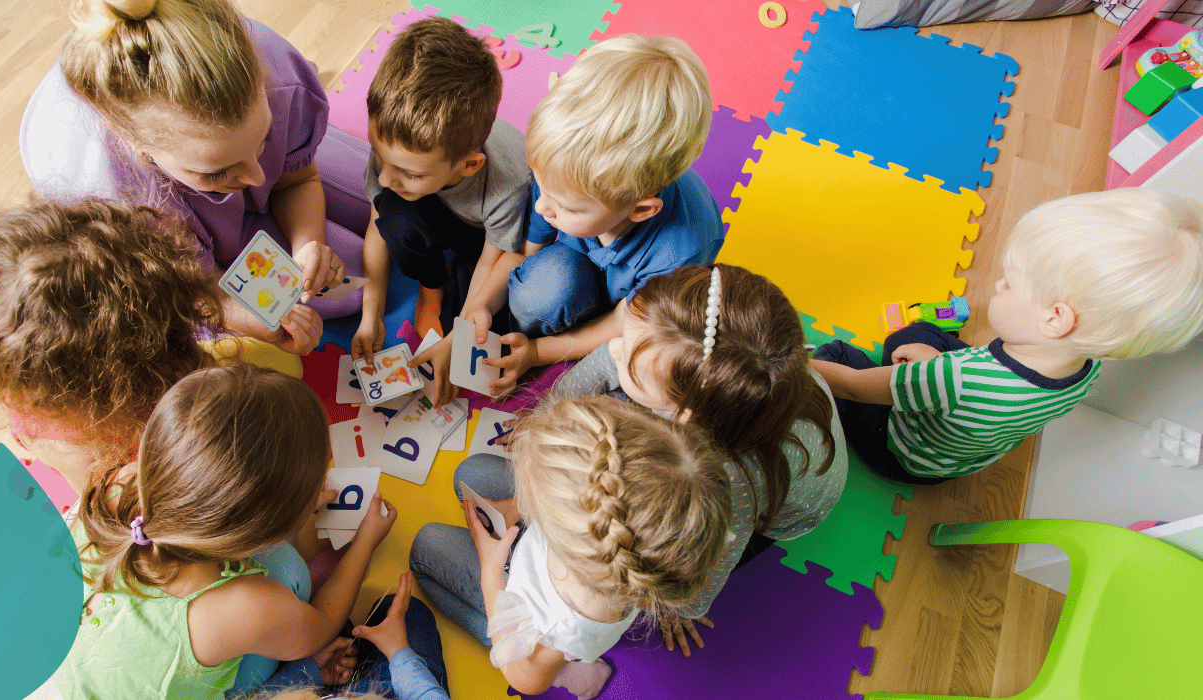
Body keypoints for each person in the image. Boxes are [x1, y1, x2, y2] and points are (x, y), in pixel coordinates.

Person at [20, 0, 370, 344]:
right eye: (217, 172)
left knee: (384, 205)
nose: (258, 177)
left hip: (244, 135)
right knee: (348, 291)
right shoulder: (111, 197)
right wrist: (241, 316)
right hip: (167, 238)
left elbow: (298, 178)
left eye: (264, 137)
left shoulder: (275, 75)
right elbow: (186, 292)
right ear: (138, 145)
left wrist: (307, 245)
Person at [0, 199, 317, 504]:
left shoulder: (146, 293)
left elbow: (195, 298)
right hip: (104, 439)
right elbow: (96, 489)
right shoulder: (68, 425)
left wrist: (254, 320)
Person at [547, 264, 848, 654]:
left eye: (629, 365)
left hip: (778, 508)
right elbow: (603, 364)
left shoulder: (725, 478)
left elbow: (713, 557)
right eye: (627, 331)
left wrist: (683, 608)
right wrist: (554, 414)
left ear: (683, 414)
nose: (614, 348)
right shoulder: (713, 353)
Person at [811, 188, 1203, 484]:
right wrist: (934, 364)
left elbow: (857, 387)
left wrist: (788, 363)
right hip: (957, 457)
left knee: (839, 356)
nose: (997, 285)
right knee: (921, 336)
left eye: (1011, 285)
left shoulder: (953, 378)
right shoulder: (1087, 365)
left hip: (901, 454)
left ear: (1055, 319)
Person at [55, 364, 398, 699]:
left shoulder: (123, 482)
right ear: (261, 529)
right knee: (292, 574)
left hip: (67, 670)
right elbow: (321, 626)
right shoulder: (248, 607)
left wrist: (288, 502)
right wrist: (365, 542)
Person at [409, 396, 732, 699]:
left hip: (528, 619)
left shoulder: (560, 625)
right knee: (470, 473)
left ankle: (568, 670)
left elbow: (524, 680)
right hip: (552, 566)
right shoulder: (637, 522)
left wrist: (491, 570)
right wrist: (519, 504)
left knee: (423, 550)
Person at [485, 34, 723, 398]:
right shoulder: (561, 175)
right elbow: (528, 254)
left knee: (646, 370)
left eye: (565, 207)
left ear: (640, 209)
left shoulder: (684, 249)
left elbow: (624, 321)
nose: (541, 207)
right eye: (540, 186)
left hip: (632, 310)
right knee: (543, 287)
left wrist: (536, 353)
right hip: (577, 273)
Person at [350, 17, 532, 406]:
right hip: (437, 209)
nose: (384, 177)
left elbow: (494, 258)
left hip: (482, 240)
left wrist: (456, 339)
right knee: (393, 213)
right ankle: (432, 285)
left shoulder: (508, 180)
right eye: (380, 158)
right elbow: (377, 226)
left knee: (482, 336)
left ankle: (447, 293)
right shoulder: (394, 147)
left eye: (407, 173)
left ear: (469, 165)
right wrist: (371, 316)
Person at [255, 571, 450, 700]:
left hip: (322, 685)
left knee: (338, 629)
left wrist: (311, 671)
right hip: (397, 691)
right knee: (409, 611)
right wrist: (398, 651)